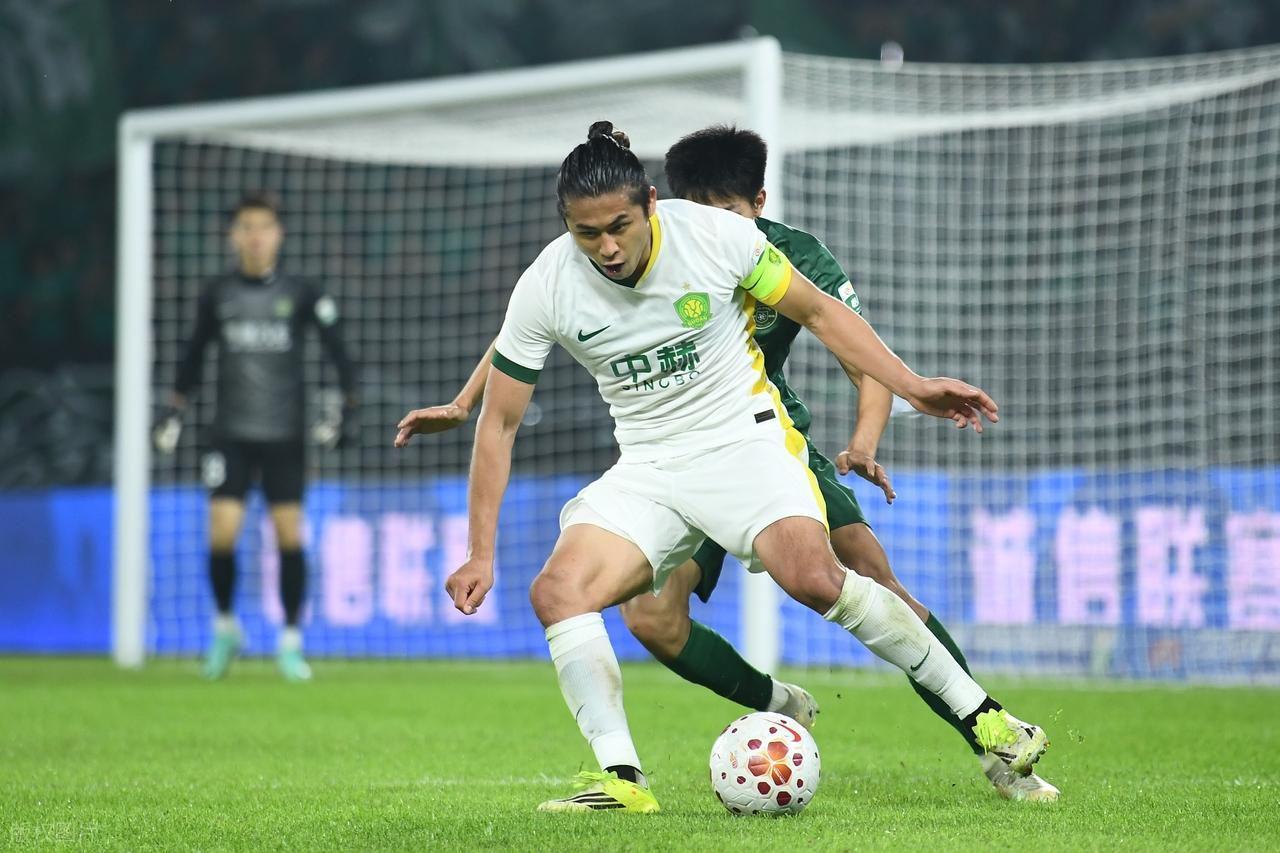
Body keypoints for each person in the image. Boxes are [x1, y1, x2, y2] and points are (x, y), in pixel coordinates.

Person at [398, 122, 1047, 814]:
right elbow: (500, 423)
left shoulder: (715, 237)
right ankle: (623, 782)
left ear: (651, 204)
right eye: (587, 234)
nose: (607, 247)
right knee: (559, 592)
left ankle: (988, 721)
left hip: (744, 442)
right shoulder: (548, 281)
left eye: (619, 227)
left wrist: (912, 385)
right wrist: (480, 550)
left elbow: (820, 312)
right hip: (649, 466)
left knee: (818, 578)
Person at [612, 125, 1055, 802]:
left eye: (727, 213)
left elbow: (861, 356)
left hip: (770, 441)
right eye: (698, 212)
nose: (713, 228)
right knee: (650, 618)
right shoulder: (650, 256)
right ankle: (777, 702)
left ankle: (993, 743)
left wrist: (864, 442)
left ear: (759, 203)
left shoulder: (792, 256)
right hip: (682, 455)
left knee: (878, 580)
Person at [155, 191, 357, 682]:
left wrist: (345, 409)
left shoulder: (302, 292)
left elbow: (340, 354)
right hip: (230, 434)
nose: (256, 236)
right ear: (233, 235)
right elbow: (193, 355)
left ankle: (290, 642)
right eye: (246, 227)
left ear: (278, 235)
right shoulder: (217, 294)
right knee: (221, 533)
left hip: (285, 435)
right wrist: (173, 411)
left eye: (264, 227)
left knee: (289, 535)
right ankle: (226, 628)